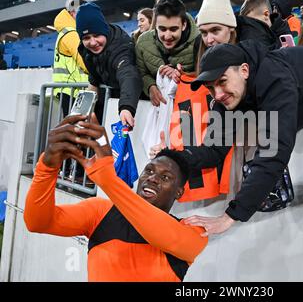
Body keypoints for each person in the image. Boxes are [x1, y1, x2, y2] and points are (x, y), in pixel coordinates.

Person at [152, 41, 303, 235]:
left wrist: (230, 217)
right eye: (211, 87)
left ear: (244, 70)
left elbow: (272, 155)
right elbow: (213, 151)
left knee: (279, 135)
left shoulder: (274, 79)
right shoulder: (225, 98)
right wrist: (171, 156)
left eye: (223, 82)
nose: (217, 94)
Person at [24, 113, 208, 281]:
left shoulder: (193, 229)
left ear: (179, 192)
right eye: (149, 171)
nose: (152, 179)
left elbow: (166, 236)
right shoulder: (100, 212)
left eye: (165, 177)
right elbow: (37, 222)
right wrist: (47, 167)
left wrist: (108, 179)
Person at [76, 2, 142, 127]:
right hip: (109, 95)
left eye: (96, 35)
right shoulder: (84, 50)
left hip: (133, 98)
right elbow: (94, 77)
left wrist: (126, 107)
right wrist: (85, 110)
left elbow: (128, 74)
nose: (92, 42)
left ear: (104, 31)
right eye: (86, 38)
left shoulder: (121, 47)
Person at [135, 0, 198, 107]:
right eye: (162, 29)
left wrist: (182, 76)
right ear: (156, 25)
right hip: (159, 110)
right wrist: (150, 87)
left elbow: (206, 75)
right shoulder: (143, 42)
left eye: (173, 29)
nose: (167, 36)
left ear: (183, 25)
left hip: (190, 109)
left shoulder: (200, 41)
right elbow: (141, 72)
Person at [52, 0, 89, 116]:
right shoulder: (71, 33)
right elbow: (84, 61)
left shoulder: (67, 31)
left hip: (69, 90)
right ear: (73, 13)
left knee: (74, 129)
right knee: (76, 129)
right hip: (73, 90)